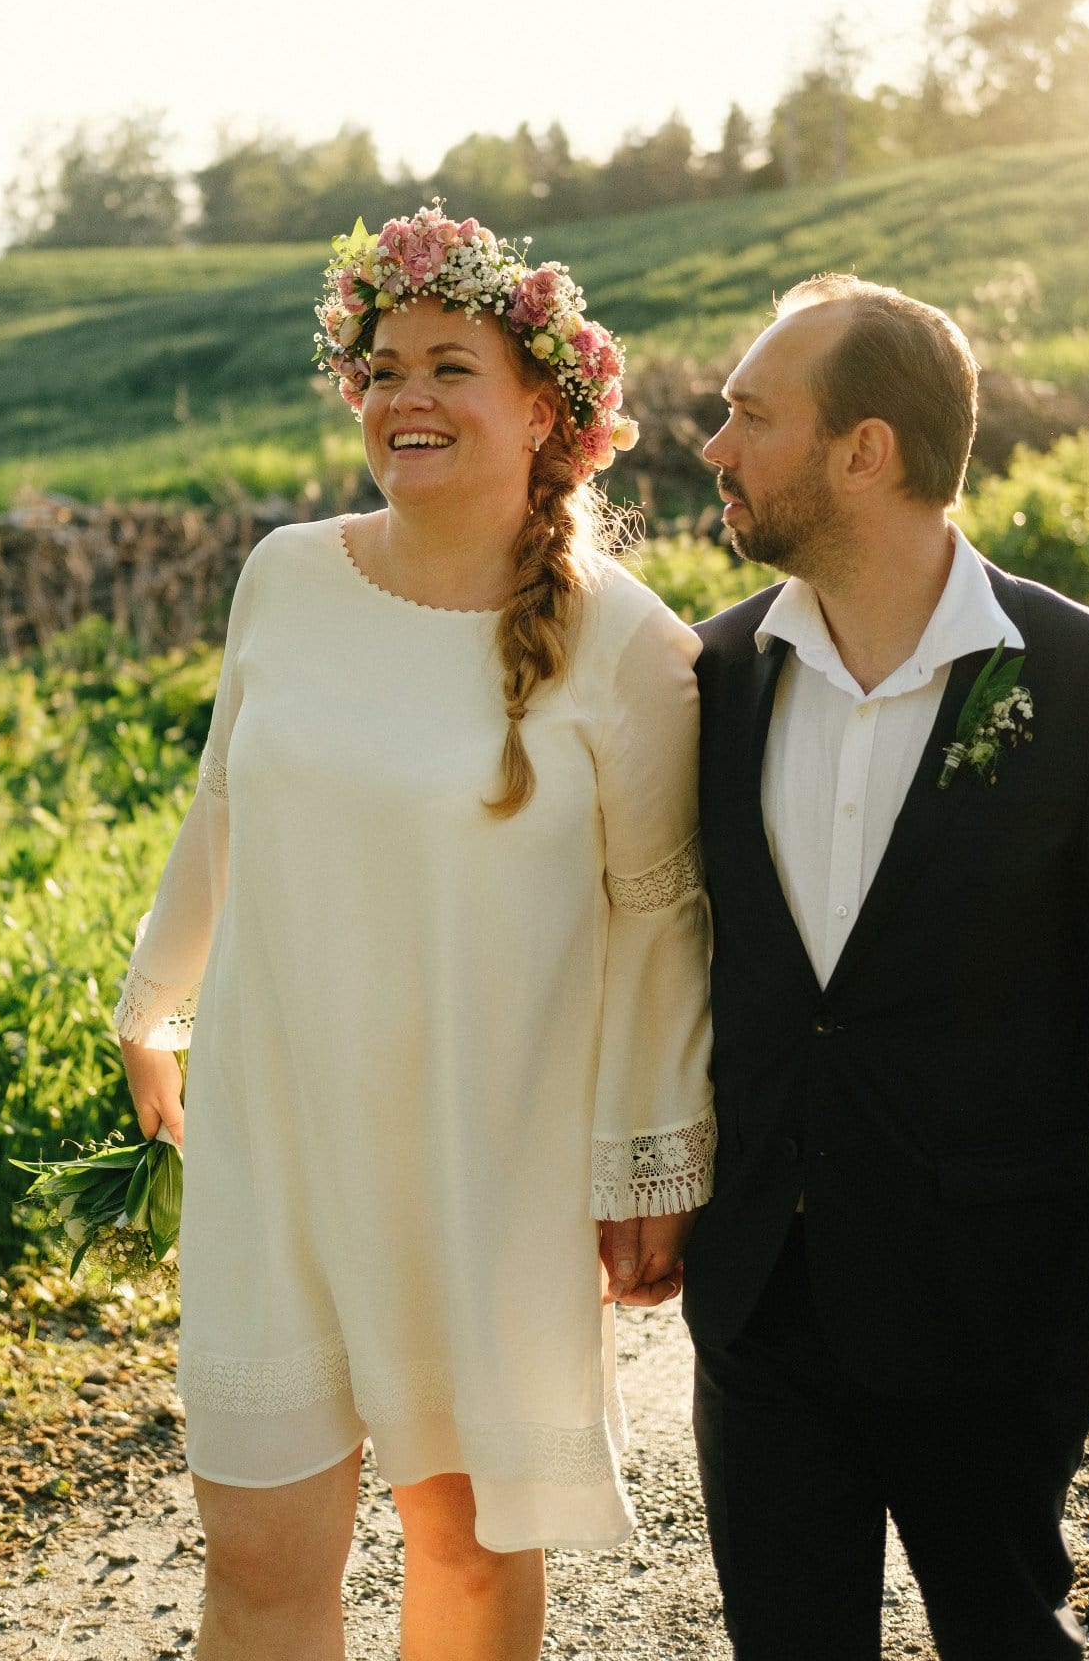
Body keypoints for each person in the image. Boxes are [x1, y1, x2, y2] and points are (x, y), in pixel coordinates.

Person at [114, 205, 714, 1661]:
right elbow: (223, 805)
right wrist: (156, 1001)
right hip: (281, 1144)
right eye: (381, 366)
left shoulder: (630, 645)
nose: (405, 399)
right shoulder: (286, 574)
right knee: (255, 1555)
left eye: (449, 366)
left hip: (480, 1166)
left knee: (458, 1551)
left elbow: (657, 925)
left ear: (543, 410)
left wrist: (645, 1159)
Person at [681, 272, 1089, 1661]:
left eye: (746, 416)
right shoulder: (703, 680)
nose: (713, 448)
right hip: (759, 1287)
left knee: (1005, 1634)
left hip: (991, 1295)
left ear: (864, 450)